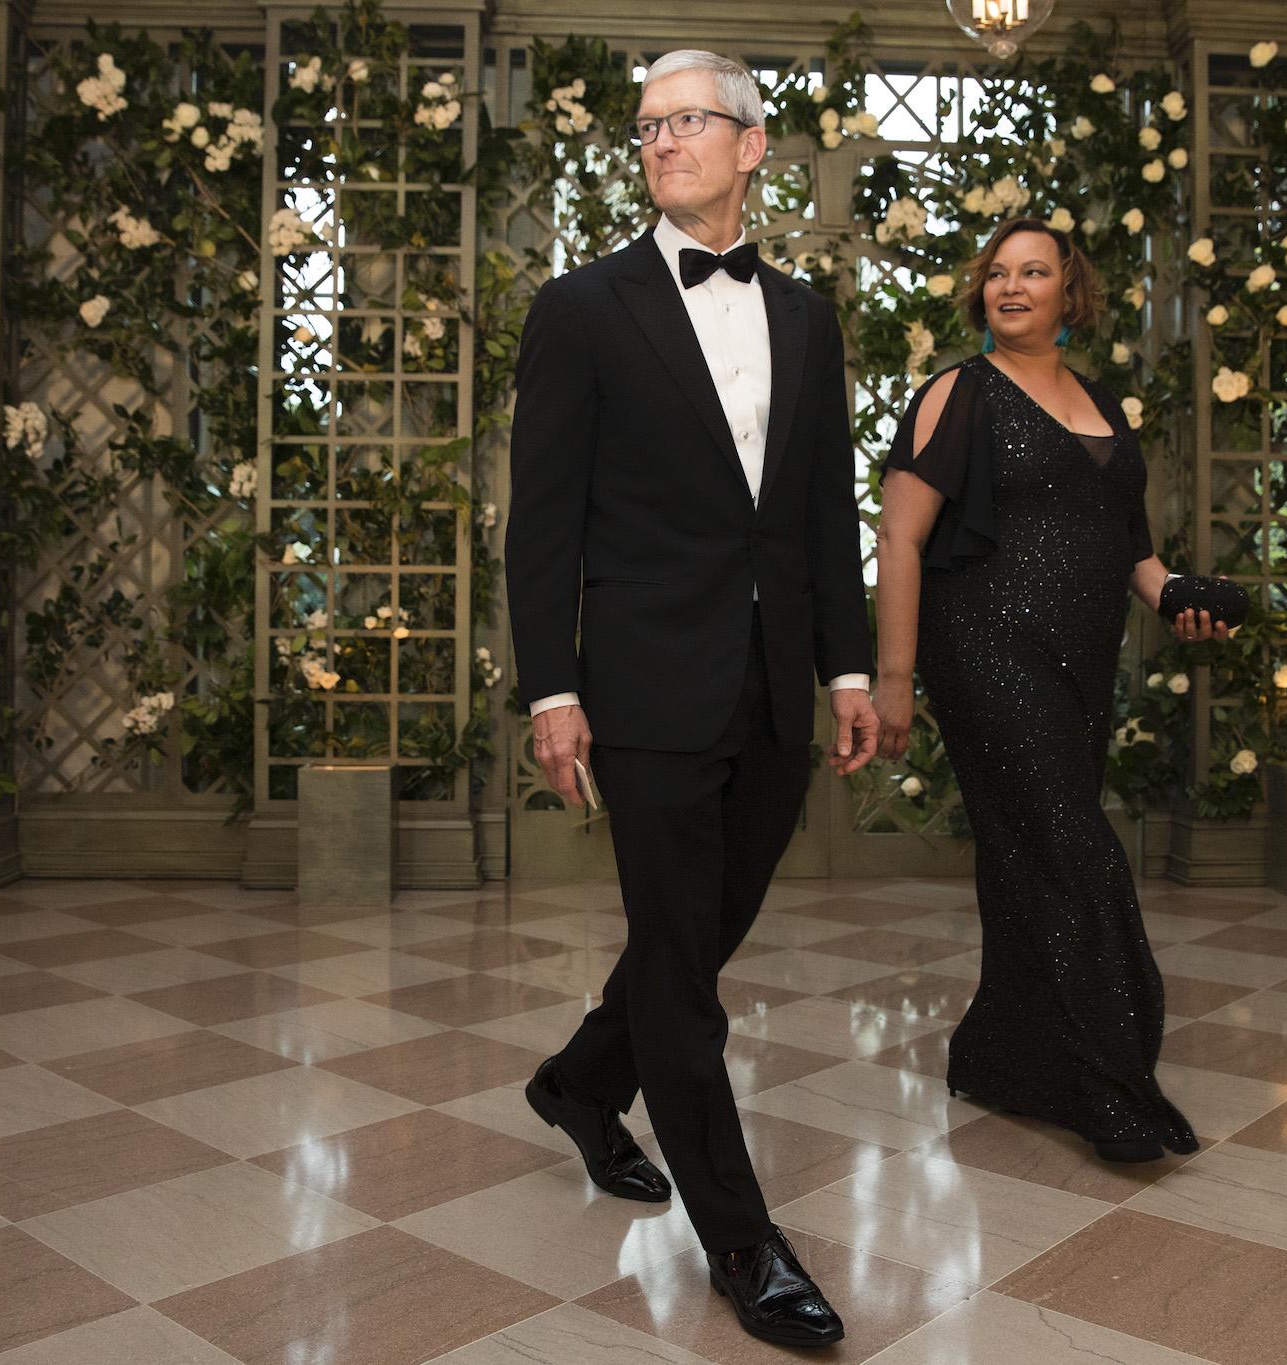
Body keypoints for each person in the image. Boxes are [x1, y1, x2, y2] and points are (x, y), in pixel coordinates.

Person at [504, 49, 877, 1350]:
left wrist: (846, 665)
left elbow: (823, 508)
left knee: (696, 938)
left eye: (690, 122)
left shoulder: (810, 317)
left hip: (776, 689)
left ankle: (574, 1082)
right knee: (685, 976)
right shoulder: (582, 309)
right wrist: (550, 686)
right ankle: (743, 1240)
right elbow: (539, 522)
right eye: (649, 126)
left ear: (753, 144)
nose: (664, 142)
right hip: (647, 691)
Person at [872, 217, 1229, 1163]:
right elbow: (900, 536)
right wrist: (895, 679)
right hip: (985, 652)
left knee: (1029, 853)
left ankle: (1004, 1054)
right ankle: (1109, 1080)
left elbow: (1135, 554)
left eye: (1035, 272)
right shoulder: (957, 392)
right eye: (998, 272)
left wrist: (1182, 597)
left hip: (1082, 662)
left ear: (1074, 293)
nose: (1012, 286)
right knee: (1075, 848)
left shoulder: (1100, 402)